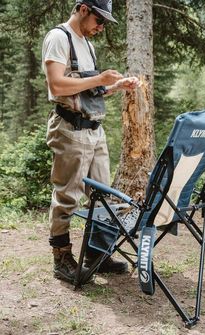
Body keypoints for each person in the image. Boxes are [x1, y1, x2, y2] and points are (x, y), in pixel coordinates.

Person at [42, 0, 140, 283]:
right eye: (100, 20)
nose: (101, 27)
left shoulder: (88, 44)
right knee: (67, 195)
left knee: (102, 195)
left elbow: (89, 92)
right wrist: (99, 77)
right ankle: (61, 258)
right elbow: (57, 85)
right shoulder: (59, 38)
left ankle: (97, 253)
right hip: (70, 129)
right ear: (84, 9)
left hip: (94, 130)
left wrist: (114, 87)